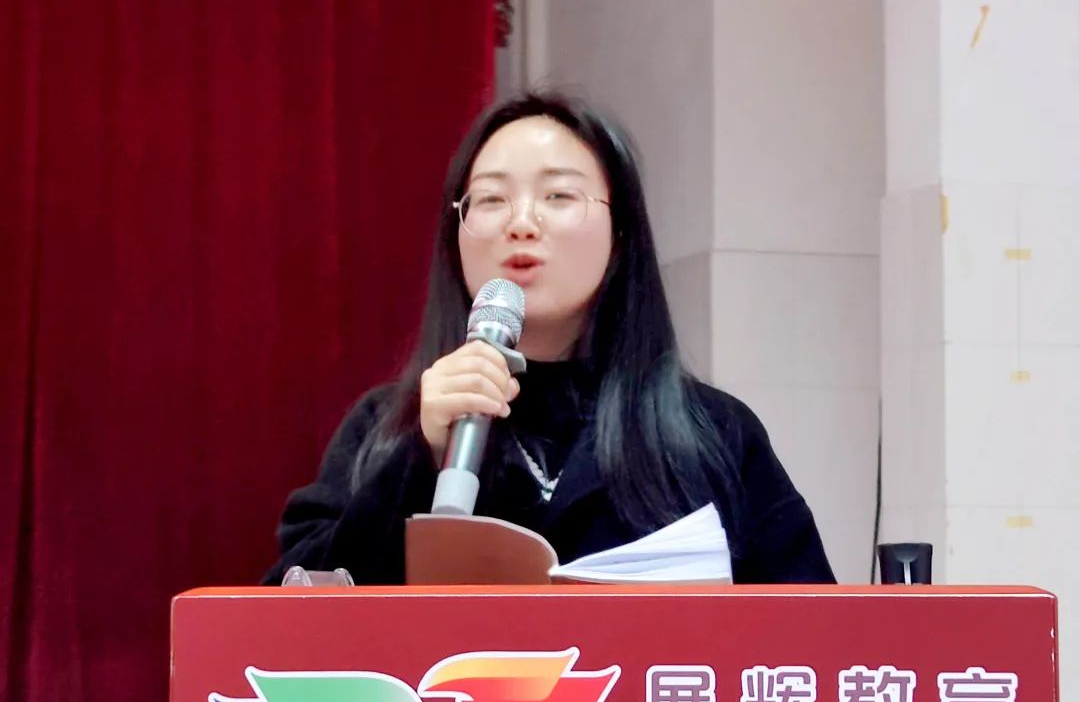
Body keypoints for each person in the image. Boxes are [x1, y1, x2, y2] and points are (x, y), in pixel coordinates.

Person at [262, 92, 835, 586]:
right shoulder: (384, 429)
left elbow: (812, 643)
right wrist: (417, 460)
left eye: (558, 196)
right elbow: (288, 625)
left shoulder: (714, 432)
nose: (521, 222)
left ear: (620, 232)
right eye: (491, 199)